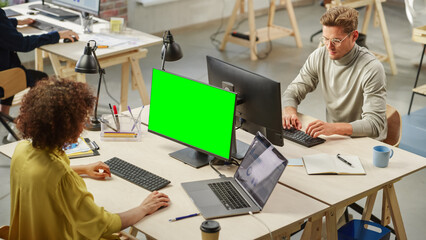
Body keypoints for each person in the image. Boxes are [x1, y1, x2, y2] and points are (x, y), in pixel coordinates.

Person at [9, 78, 170, 239]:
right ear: (67, 126)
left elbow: (45, 177)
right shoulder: (60, 176)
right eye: (81, 119)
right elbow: (103, 224)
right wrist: (143, 208)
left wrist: (83, 169)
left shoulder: (22, 150)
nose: (84, 124)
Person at [282, 6, 387, 141]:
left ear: (354, 36)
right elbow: (293, 91)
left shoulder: (371, 68)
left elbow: (374, 125)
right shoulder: (319, 56)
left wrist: (333, 128)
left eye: (336, 40)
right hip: (337, 137)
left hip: (367, 141)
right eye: (325, 39)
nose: (329, 46)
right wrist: (289, 110)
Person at [0, 8, 78, 116]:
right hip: (3, 79)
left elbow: (3, 30)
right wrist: (56, 35)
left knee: (12, 68)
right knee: (40, 79)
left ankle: (4, 115)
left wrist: (15, 22)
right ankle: (30, 122)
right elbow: (22, 44)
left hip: (4, 74)